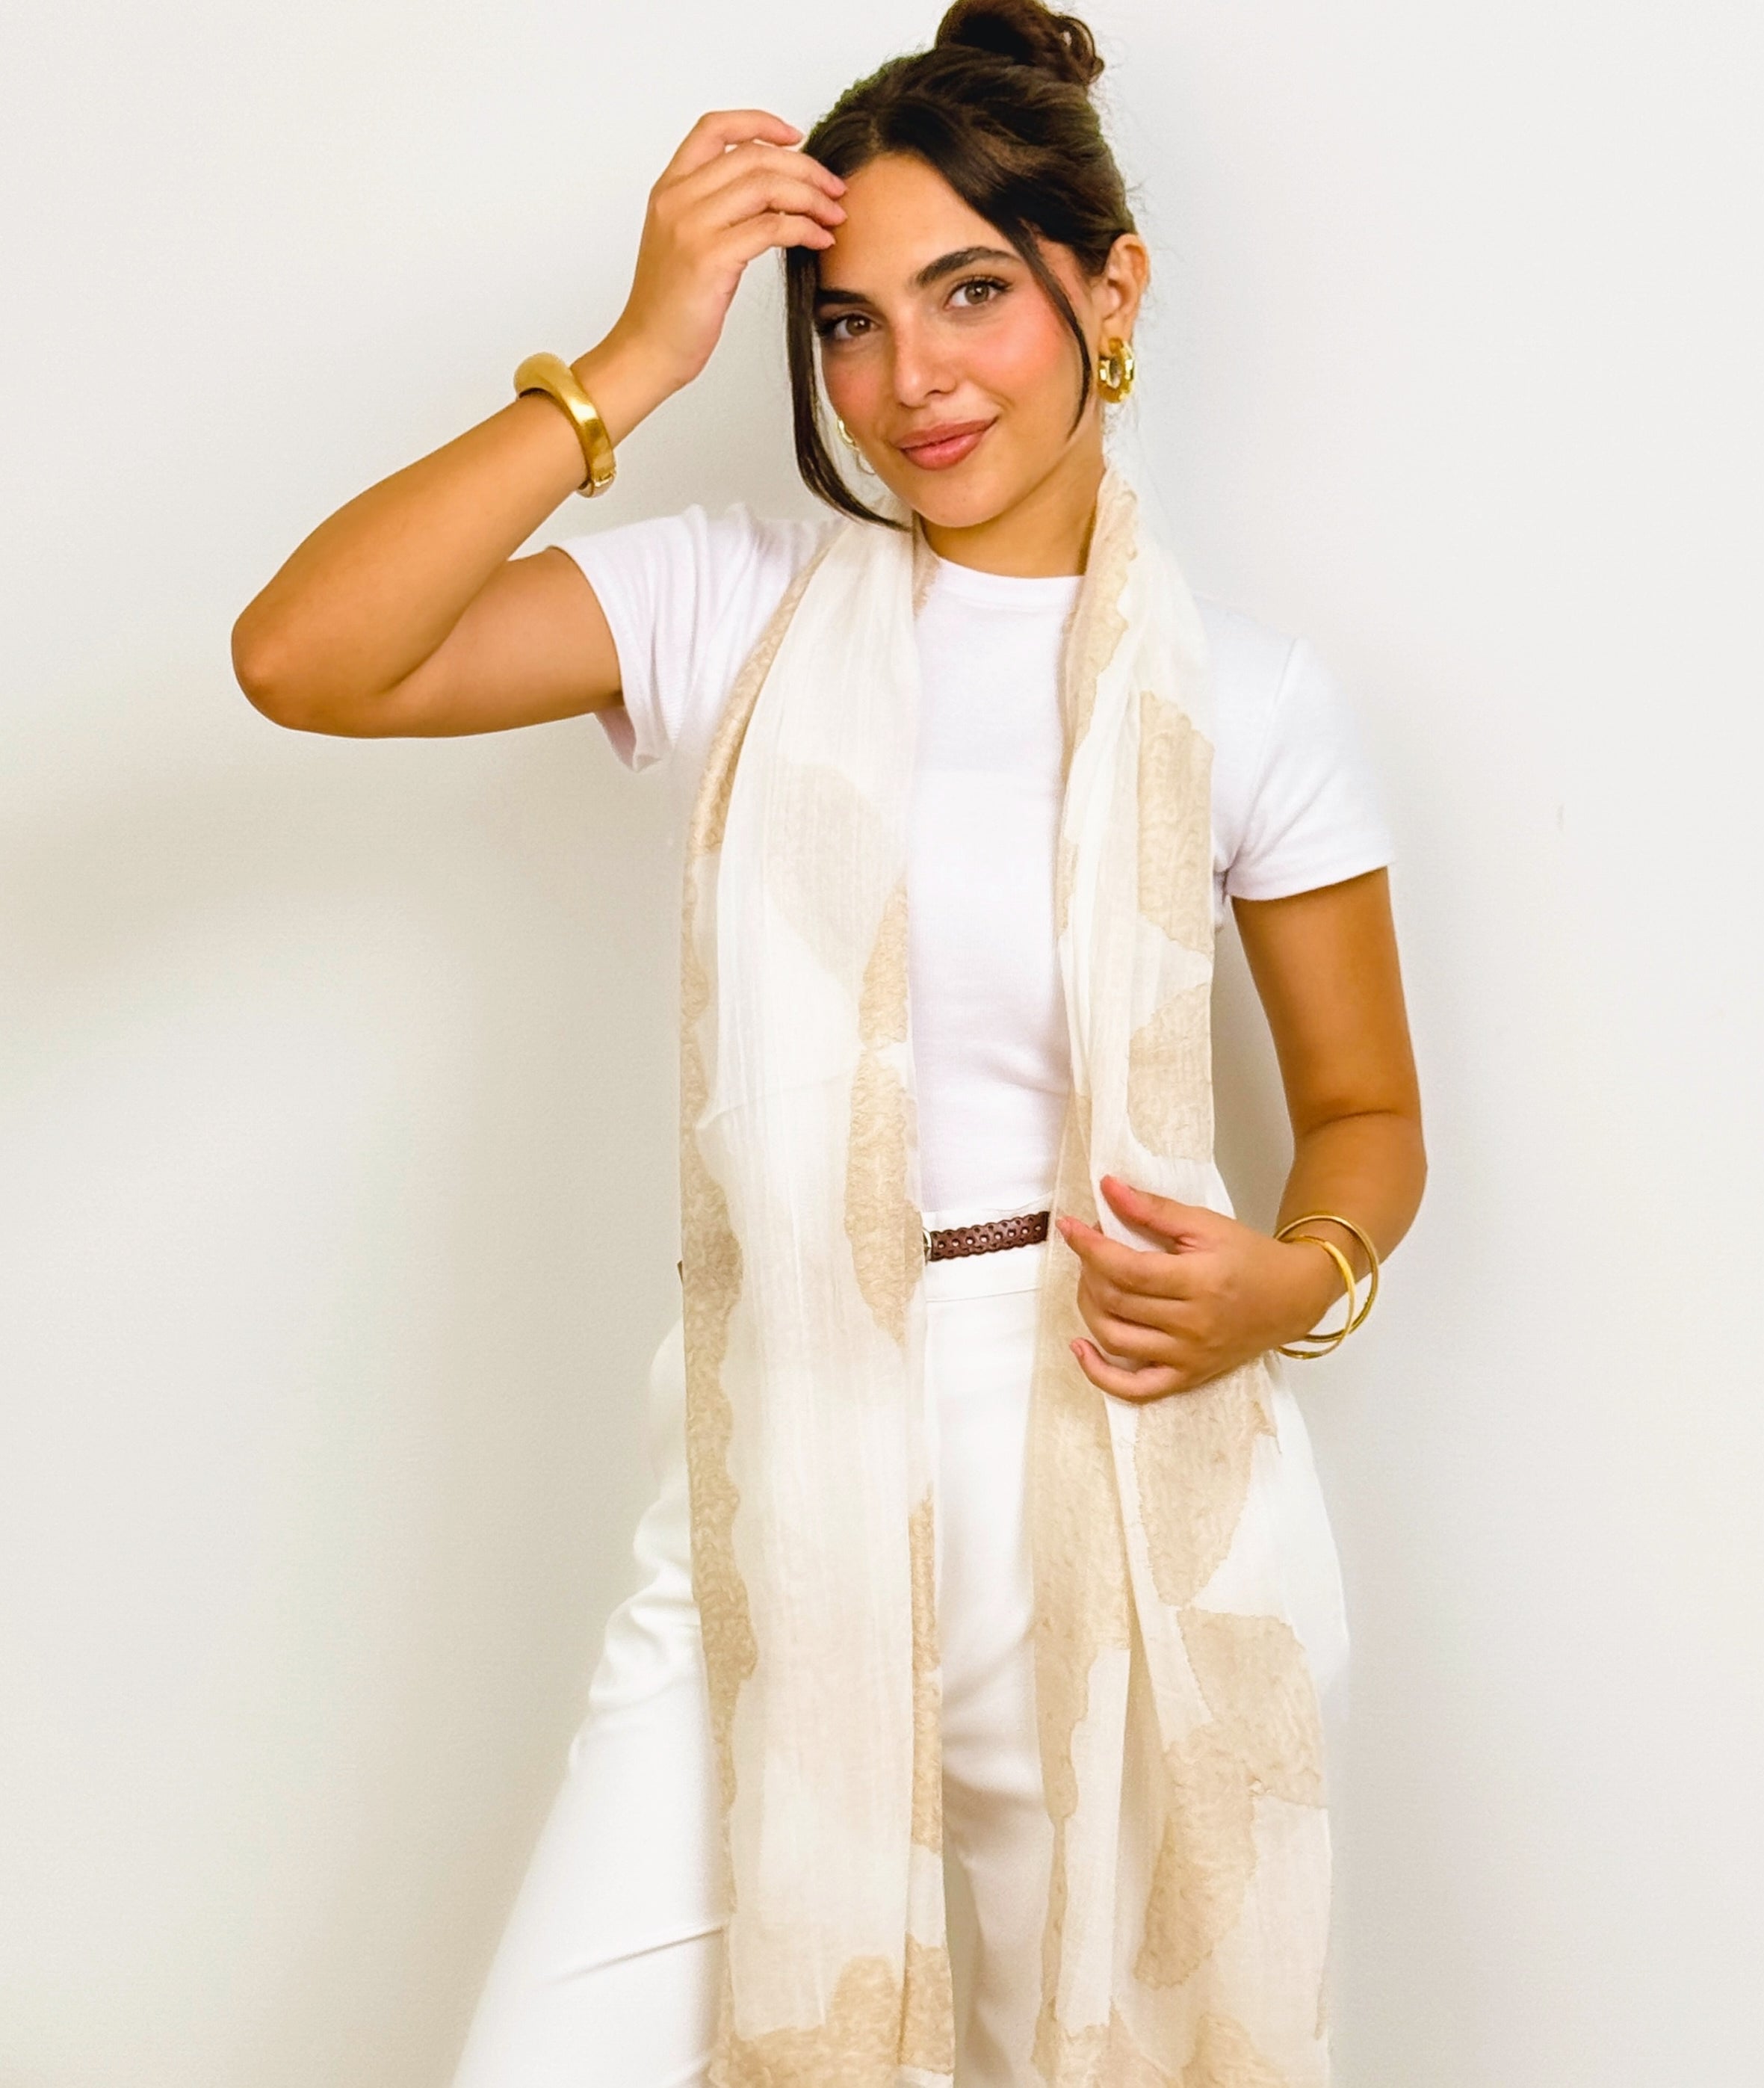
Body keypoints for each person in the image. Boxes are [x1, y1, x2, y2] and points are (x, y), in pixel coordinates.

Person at [231, 1, 1426, 2081]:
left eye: (971, 294)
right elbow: (307, 658)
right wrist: (633, 357)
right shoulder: (739, 606)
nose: (910, 380)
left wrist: (1292, 1280)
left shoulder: (1248, 699)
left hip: (1124, 1450)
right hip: (777, 1441)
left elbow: (1365, 1111)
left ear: (1110, 292)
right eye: (848, 323)